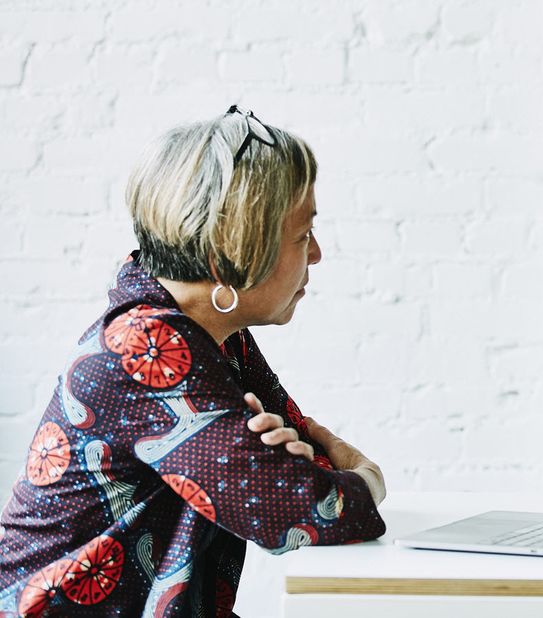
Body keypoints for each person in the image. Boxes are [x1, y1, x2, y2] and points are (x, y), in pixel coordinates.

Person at [0, 107, 387, 617]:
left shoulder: (214, 337)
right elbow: (301, 509)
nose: (316, 254)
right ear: (234, 249)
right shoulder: (146, 348)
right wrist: (368, 476)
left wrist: (299, 472)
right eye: (301, 235)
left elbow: (302, 463)